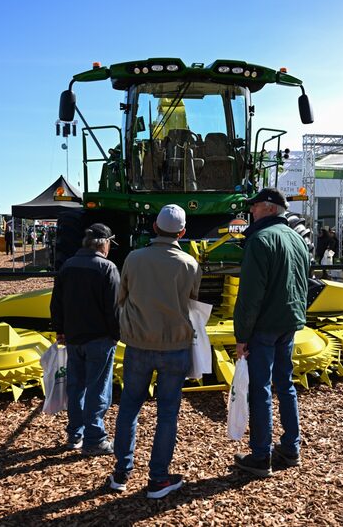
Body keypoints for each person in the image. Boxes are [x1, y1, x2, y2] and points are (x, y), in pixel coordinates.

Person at [109, 204, 201, 499]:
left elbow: (121, 296)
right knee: (167, 413)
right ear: (183, 232)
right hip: (175, 346)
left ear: (154, 228)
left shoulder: (133, 259)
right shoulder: (190, 264)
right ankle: (158, 478)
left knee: (129, 408)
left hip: (138, 344)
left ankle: (120, 473)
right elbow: (192, 303)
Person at [232, 187, 310, 478]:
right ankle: (291, 448)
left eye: (254, 206)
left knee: (260, 388)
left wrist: (242, 337)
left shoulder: (260, 240)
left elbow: (249, 296)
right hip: (289, 323)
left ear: (268, 208)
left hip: (263, 326)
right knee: (286, 384)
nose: (251, 211)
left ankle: (261, 455)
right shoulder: (297, 240)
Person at [50, 223, 120, 456]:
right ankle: (95, 438)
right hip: (99, 338)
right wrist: (116, 335)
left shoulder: (67, 266)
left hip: (73, 337)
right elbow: (114, 309)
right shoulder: (107, 268)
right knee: (97, 389)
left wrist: (60, 329)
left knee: (76, 387)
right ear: (104, 244)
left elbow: (56, 302)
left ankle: (74, 434)